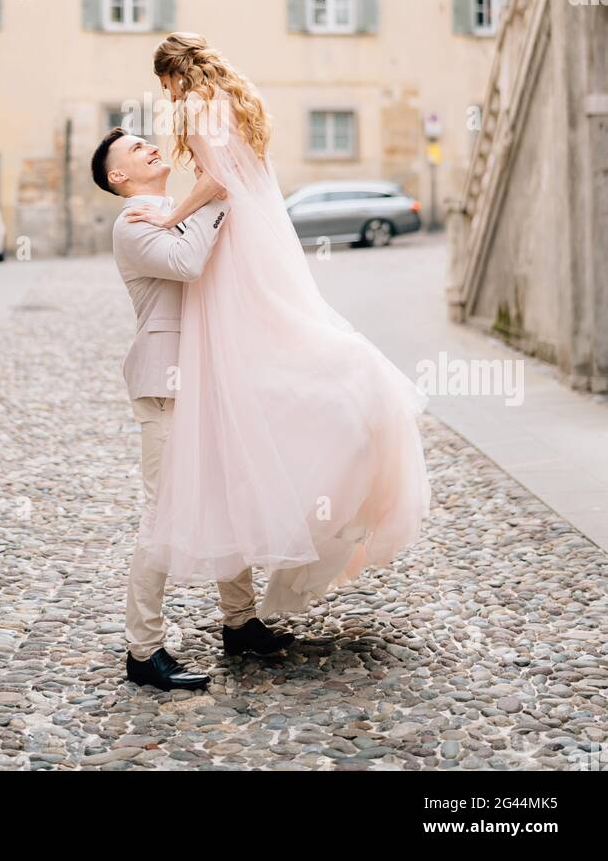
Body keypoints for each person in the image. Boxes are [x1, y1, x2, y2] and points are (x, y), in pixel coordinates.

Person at [122, 32, 432, 619]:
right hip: (263, 237)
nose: (165, 95)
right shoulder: (237, 98)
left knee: (245, 346)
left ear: (174, 75)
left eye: (164, 84)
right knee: (280, 337)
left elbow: (217, 181)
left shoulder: (194, 106)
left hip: (236, 237)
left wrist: (173, 218)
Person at [91, 127, 296, 691]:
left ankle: (240, 621)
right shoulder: (133, 221)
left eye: (147, 141)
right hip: (165, 382)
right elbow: (185, 262)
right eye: (135, 149)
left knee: (228, 497)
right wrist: (220, 194)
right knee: (163, 513)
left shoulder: (176, 207)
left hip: (208, 378)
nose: (150, 147)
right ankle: (143, 650)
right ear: (119, 177)